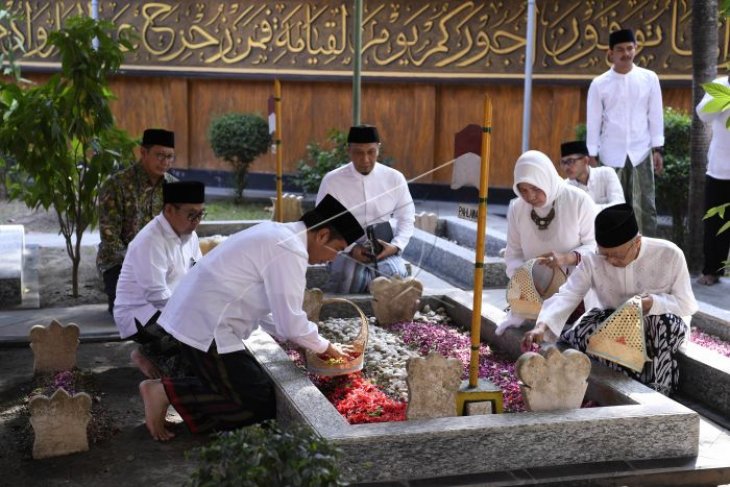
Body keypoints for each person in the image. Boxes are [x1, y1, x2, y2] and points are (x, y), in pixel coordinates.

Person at [138, 194, 364, 441]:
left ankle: (176, 389)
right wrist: (325, 347)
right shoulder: (291, 249)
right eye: (337, 250)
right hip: (208, 325)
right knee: (259, 403)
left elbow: (274, 314)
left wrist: (309, 341)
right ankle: (165, 393)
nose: (332, 259)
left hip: (199, 317)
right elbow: (290, 323)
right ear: (321, 235)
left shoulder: (279, 233)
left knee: (252, 387)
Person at [521, 203, 698, 394]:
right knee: (586, 329)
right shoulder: (592, 259)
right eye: (605, 254)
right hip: (614, 324)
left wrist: (653, 303)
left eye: (617, 255)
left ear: (636, 242)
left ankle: (658, 389)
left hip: (659, 326)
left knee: (661, 323)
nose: (611, 261)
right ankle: (614, 386)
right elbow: (568, 294)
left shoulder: (669, 254)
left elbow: (686, 304)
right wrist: (542, 326)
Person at [497, 150, 597, 335]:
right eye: (523, 190)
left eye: (535, 188)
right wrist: (526, 282)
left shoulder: (578, 201)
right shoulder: (517, 207)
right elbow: (513, 254)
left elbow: (597, 247)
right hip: (536, 290)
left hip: (577, 289)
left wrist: (567, 258)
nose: (530, 196)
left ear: (546, 179)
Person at [113, 181, 206, 379]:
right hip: (141, 314)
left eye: (200, 214)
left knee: (207, 331)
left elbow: (199, 274)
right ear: (170, 210)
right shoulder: (150, 240)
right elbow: (156, 295)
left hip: (171, 307)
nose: (197, 220)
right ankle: (148, 354)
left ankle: (157, 354)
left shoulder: (190, 234)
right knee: (194, 342)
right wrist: (192, 316)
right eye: (191, 214)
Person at [315, 125, 415, 293]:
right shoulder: (332, 181)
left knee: (396, 279)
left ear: (378, 149)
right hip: (344, 248)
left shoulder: (394, 178)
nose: (365, 159)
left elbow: (406, 217)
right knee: (350, 282)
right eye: (358, 153)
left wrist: (396, 247)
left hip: (384, 249)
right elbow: (323, 222)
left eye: (371, 152)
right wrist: (351, 248)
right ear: (349, 150)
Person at [586, 28, 664, 236]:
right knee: (611, 209)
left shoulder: (649, 78)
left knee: (645, 208)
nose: (626, 54)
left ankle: (645, 255)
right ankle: (611, 254)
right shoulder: (599, 84)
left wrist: (658, 150)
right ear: (610, 52)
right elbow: (593, 121)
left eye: (630, 48)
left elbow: (655, 115)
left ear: (636, 49)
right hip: (611, 155)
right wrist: (591, 154)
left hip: (641, 153)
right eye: (620, 49)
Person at [97, 128, 178, 314]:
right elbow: (110, 238)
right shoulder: (116, 185)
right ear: (143, 152)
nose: (165, 162)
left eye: (170, 157)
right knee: (132, 315)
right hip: (122, 265)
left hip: (163, 264)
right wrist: (141, 266)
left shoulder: (174, 187)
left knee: (177, 310)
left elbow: (180, 231)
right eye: (159, 155)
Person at [696, 74, 730, 286]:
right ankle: (711, 270)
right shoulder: (720, 85)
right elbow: (703, 114)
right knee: (715, 224)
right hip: (720, 169)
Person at [560, 140, 625, 211]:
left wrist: (587, 210)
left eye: (570, 161)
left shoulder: (606, 174)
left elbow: (619, 205)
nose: (566, 167)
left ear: (585, 160)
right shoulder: (565, 187)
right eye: (563, 162)